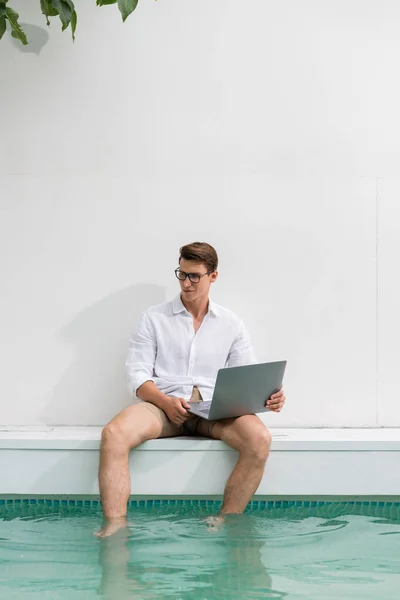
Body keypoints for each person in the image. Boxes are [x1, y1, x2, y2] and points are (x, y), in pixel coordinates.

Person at [96, 242, 286, 537]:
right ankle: (115, 527)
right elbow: (136, 375)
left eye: (194, 276)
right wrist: (166, 402)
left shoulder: (231, 323)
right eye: (181, 274)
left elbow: (247, 375)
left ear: (213, 276)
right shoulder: (153, 318)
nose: (186, 283)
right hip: (162, 407)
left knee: (259, 438)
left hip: (215, 410)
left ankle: (225, 520)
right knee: (113, 434)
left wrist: (270, 396)